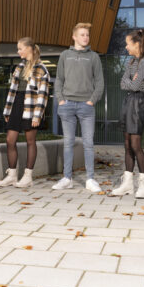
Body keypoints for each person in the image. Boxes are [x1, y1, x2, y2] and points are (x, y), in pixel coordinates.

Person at [53, 22, 104, 192]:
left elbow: (99, 82)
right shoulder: (65, 55)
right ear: (74, 37)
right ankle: (67, 178)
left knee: (88, 143)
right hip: (67, 104)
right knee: (68, 143)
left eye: (87, 35)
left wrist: (92, 100)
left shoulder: (93, 57)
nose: (86, 37)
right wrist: (60, 99)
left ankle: (90, 179)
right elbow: (59, 79)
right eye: (82, 34)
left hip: (86, 106)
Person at [0, 37, 50, 188]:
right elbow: (12, 90)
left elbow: (43, 94)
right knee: (10, 140)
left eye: (20, 48)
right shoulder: (19, 67)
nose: (18, 51)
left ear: (29, 49)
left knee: (30, 141)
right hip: (16, 105)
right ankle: (12, 175)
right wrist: (8, 110)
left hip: (31, 107)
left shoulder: (42, 69)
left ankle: (28, 177)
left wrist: (37, 115)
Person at [112, 29, 144, 198]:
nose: (126, 46)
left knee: (136, 145)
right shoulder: (131, 62)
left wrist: (130, 81)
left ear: (137, 44)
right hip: (129, 102)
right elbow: (123, 83)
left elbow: (136, 86)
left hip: (139, 103)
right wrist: (130, 81)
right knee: (127, 144)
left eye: (128, 43)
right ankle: (127, 184)